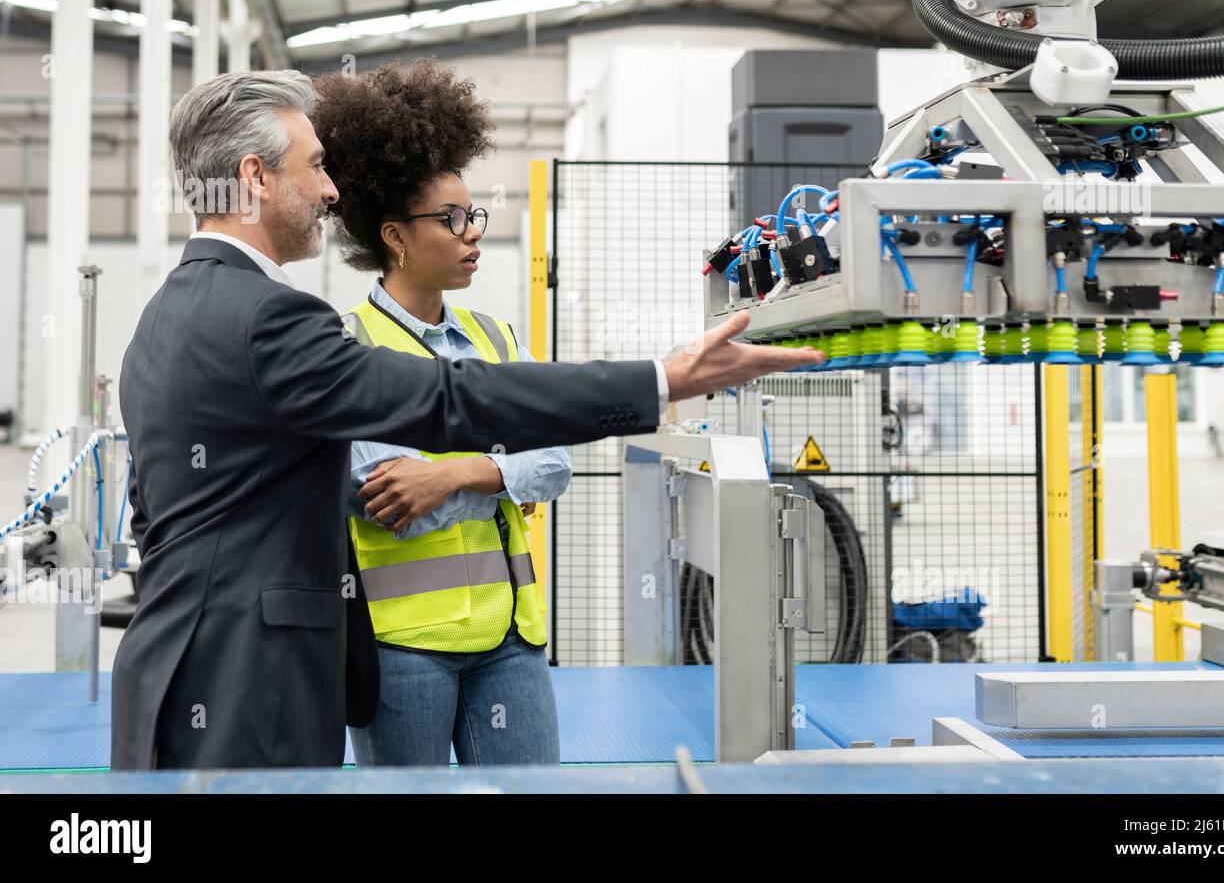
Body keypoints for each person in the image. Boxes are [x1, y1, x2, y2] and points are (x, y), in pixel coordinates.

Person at [110, 69, 821, 771]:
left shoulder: (160, 322)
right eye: (317, 167)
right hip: (251, 682)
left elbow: (155, 516)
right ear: (256, 177)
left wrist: (454, 476)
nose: (331, 191)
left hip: (168, 670)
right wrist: (662, 379)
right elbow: (450, 401)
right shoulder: (272, 318)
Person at [311, 61, 571, 766]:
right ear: (394, 236)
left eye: (474, 215)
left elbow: (555, 463)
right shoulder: (346, 347)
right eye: (451, 219)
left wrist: (455, 474)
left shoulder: (497, 339)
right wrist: (499, 470)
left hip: (511, 639)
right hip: (402, 646)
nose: (472, 233)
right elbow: (389, 499)